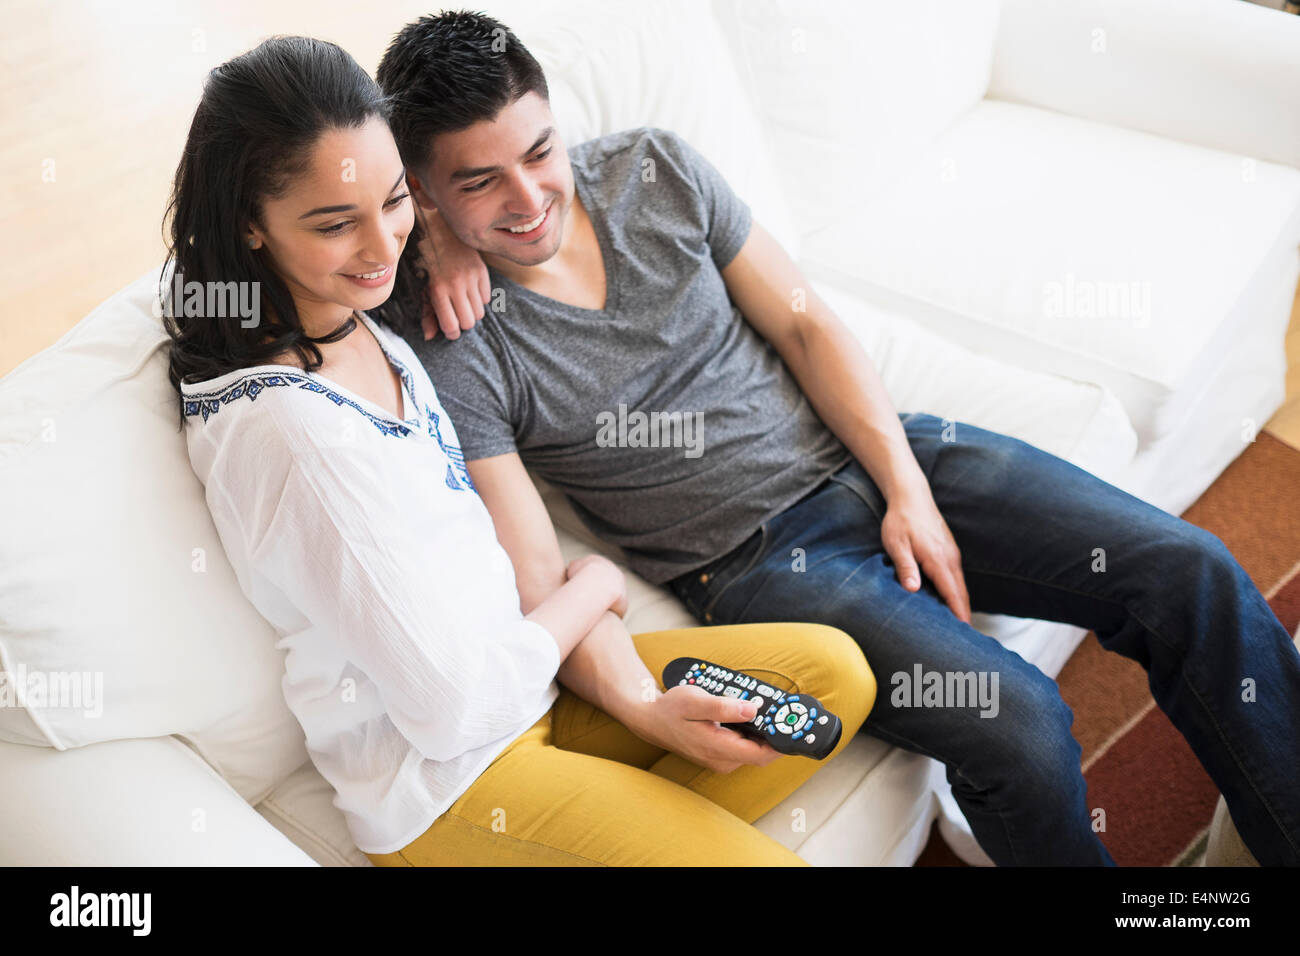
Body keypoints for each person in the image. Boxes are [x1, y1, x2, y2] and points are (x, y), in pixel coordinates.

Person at [374, 10, 1300, 866]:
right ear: (418, 186)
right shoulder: (454, 343)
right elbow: (536, 572)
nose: (530, 196)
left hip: (890, 448)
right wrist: (430, 239)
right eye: (480, 181)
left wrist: (906, 486)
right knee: (1013, 721)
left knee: (1189, 568)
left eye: (540, 152)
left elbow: (808, 327)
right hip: (761, 560)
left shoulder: (653, 167)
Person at [161, 35, 876, 867]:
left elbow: (432, 202)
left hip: (534, 691)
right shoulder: (292, 434)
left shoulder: (353, 313)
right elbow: (451, 712)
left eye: (394, 202)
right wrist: (594, 588)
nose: (380, 247)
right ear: (250, 223)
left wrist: (443, 233)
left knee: (831, 675)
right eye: (334, 225)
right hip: (452, 780)